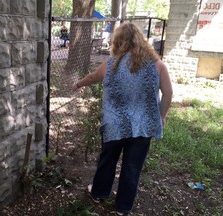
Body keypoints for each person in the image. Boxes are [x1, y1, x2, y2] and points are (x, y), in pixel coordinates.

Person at [72, 22, 173, 215]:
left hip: (114, 125)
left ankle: (99, 192)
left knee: (107, 160)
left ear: (118, 41)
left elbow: (93, 77)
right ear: (142, 41)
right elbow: (168, 94)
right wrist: (161, 116)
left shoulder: (110, 64)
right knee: (132, 167)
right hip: (142, 127)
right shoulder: (158, 66)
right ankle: (123, 208)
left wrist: (78, 84)